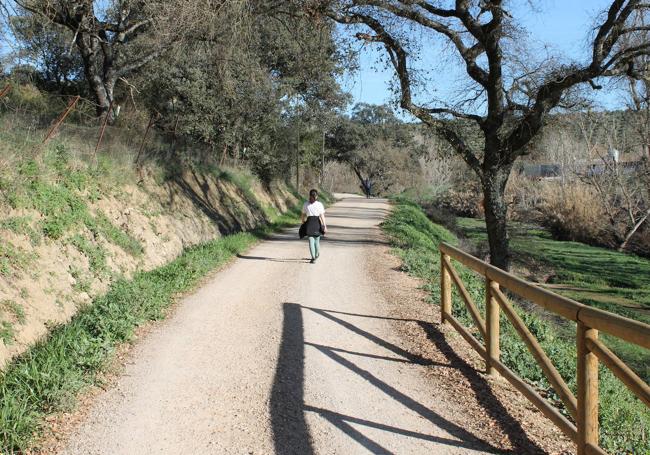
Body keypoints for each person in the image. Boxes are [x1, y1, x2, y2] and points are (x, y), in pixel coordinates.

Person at [301, 189, 327, 264]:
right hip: (316, 223)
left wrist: (302, 221)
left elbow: (302, 215)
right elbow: (322, 216)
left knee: (311, 241)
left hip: (309, 223)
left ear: (309, 196)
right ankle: (316, 255)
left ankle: (313, 257)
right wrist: (324, 226)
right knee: (316, 241)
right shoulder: (319, 204)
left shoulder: (306, 204)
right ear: (316, 196)